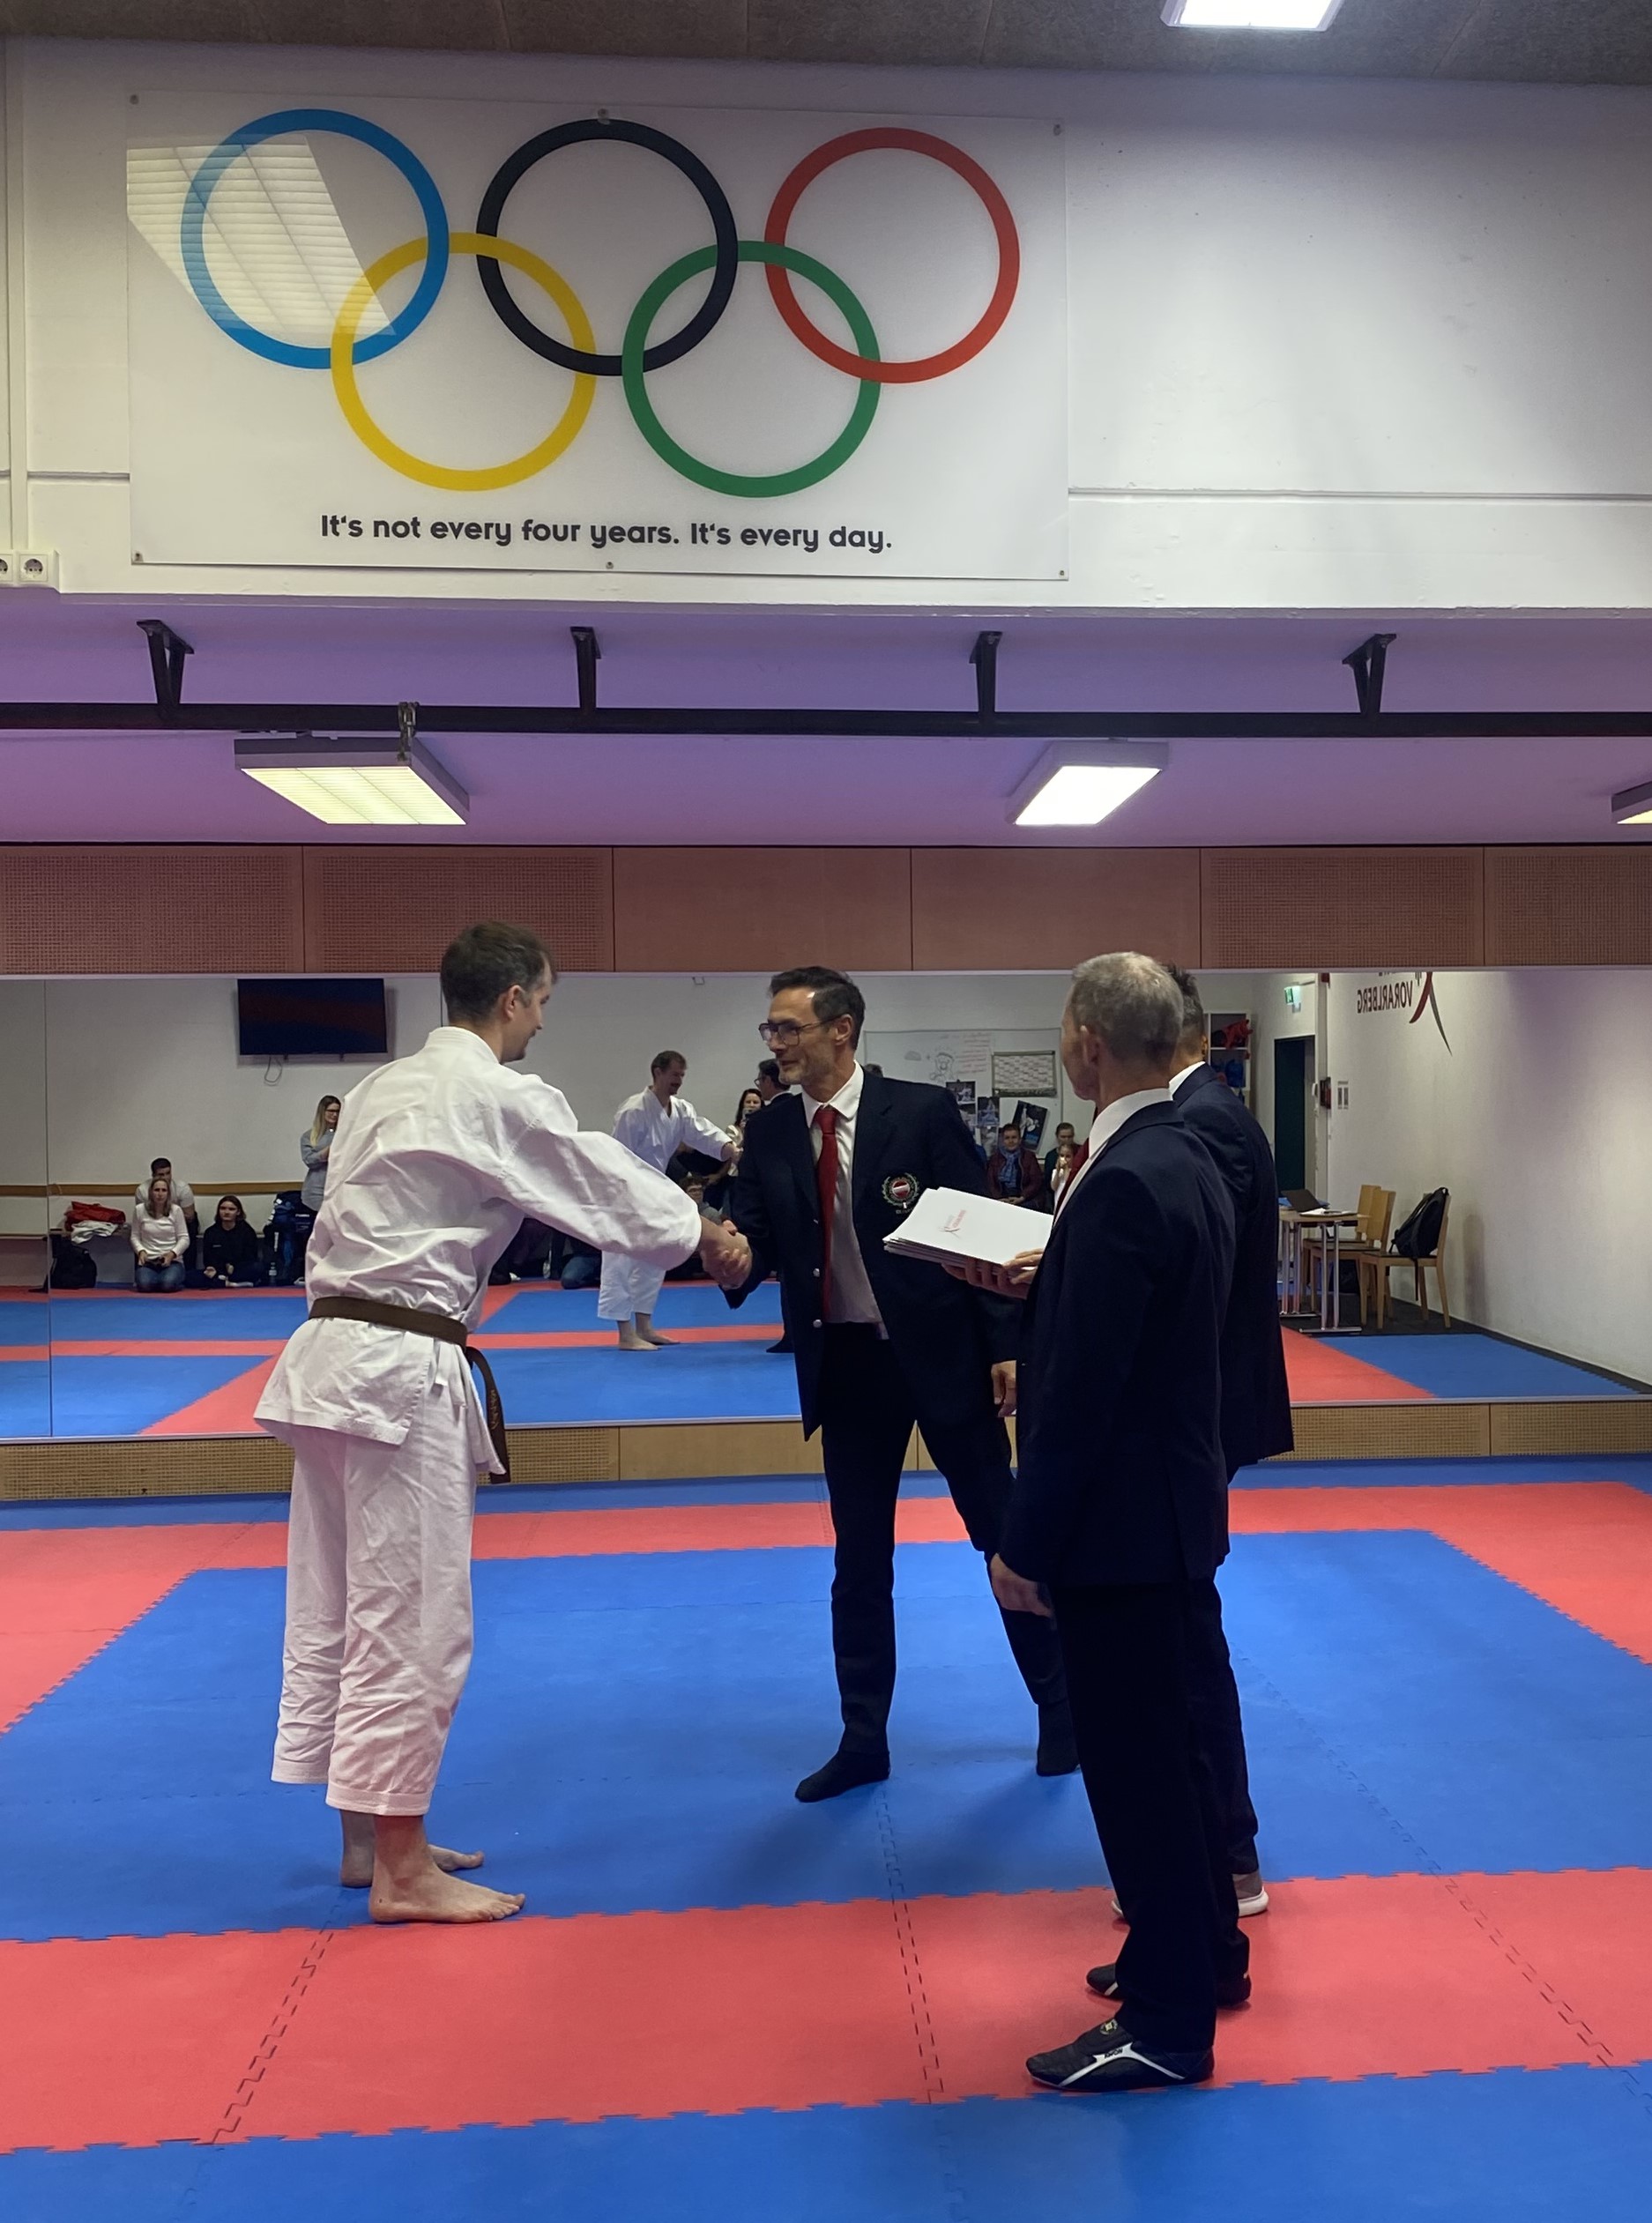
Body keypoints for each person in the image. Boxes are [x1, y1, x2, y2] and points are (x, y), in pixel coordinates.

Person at [255, 921, 733, 1924]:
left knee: (341, 1597)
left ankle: (366, 1838)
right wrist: (704, 1233)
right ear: (513, 998)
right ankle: (401, 1871)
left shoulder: (382, 1086)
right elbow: (595, 1181)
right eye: (544, 1002)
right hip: (397, 1372)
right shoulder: (495, 1091)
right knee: (414, 1615)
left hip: (328, 1358)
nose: (542, 1022)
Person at [968, 953, 1245, 2094]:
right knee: (1174, 1754)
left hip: (1119, 1526)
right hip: (1169, 1505)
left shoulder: (1127, 1174)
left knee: (1136, 1772)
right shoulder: (1184, 1155)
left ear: (1085, 1040)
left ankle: (1167, 2025)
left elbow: (1082, 1394)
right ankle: (1197, 1953)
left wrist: (1024, 1542)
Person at [702, 964, 1072, 1803]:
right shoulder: (771, 1132)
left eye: (788, 1028)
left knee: (1003, 1535)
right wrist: (728, 1253)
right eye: (770, 1029)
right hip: (848, 1362)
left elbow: (981, 1228)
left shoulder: (921, 1111)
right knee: (859, 1560)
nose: (775, 1043)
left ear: (841, 1030)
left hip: (942, 1352)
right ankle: (863, 1738)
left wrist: (1005, 1345)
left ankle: (1061, 1708)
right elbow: (755, 1241)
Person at [1164, 964, 1294, 1920]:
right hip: (1192, 1409)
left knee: (1184, 1635)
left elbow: (1190, 1274)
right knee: (1179, 1629)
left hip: (1192, 1412)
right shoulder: (1201, 1112)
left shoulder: (1205, 1121)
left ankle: (1225, 1854)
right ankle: (1210, 1853)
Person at [599, 1052, 737, 1350]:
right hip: (625, 1192)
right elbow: (616, 1156)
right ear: (657, 1072)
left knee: (655, 1256)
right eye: (674, 1074)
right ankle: (625, 1334)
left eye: (682, 1076)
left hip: (655, 1191)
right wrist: (625, 1197)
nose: (678, 1081)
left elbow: (702, 1133)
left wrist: (731, 1151)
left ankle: (645, 1326)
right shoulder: (633, 1110)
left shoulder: (681, 1110)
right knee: (620, 1261)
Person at [702, 1088, 767, 1216]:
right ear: (742, 1105)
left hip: (759, 1176)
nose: (752, 1105)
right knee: (733, 1213)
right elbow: (733, 1153)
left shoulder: (765, 1129)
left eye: (755, 1102)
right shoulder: (733, 1130)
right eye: (748, 1102)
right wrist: (746, 1133)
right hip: (736, 1177)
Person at [135, 1156, 199, 1268]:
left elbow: (189, 1216)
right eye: (161, 1175)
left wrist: (170, 1218)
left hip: (180, 1220)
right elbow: (141, 1214)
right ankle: (143, 1266)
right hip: (152, 1218)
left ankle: (188, 1270)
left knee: (190, 1229)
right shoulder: (142, 1190)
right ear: (153, 1175)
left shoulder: (182, 1188)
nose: (165, 1177)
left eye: (168, 1173)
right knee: (140, 1233)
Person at [131, 1175, 190, 1291]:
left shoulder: (176, 1210)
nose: (160, 1194)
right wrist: (141, 1251)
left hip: (172, 1262)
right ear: (151, 1192)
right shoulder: (139, 1210)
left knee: (167, 1284)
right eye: (157, 1190)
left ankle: (172, 1277)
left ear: (168, 1193)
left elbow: (184, 1238)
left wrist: (172, 1254)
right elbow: (135, 1236)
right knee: (144, 1285)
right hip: (148, 1261)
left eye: (164, 1190)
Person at [201, 1194, 265, 1287]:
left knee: (257, 1268)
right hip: (218, 1270)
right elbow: (208, 1258)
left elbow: (251, 1257)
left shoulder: (247, 1232)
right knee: (190, 1276)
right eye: (223, 1208)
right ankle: (231, 1283)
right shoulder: (211, 1232)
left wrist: (232, 1266)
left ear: (238, 1212)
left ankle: (222, 1283)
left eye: (231, 1209)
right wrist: (215, 1269)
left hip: (238, 1269)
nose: (226, 1212)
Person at [986, 1122, 1046, 1208]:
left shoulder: (1029, 1156)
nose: (1011, 1141)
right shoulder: (995, 1158)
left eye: (1014, 1137)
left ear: (1020, 1139)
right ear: (1002, 1141)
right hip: (1000, 1198)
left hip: (1024, 1198)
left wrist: (1022, 1197)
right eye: (1007, 1138)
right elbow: (990, 1182)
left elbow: (1036, 1181)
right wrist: (998, 1198)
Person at [301, 1097, 340, 1211]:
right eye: (331, 1111)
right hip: (316, 1192)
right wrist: (327, 1151)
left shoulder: (345, 1135)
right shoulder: (309, 1136)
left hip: (338, 1188)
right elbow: (309, 1161)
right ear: (322, 1112)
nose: (335, 1115)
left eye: (338, 1111)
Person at [1043, 1121, 1076, 1190]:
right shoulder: (1051, 1156)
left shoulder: (1080, 1152)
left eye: (1069, 1137)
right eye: (1063, 1137)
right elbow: (1047, 1182)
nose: (1066, 1140)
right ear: (1057, 1136)